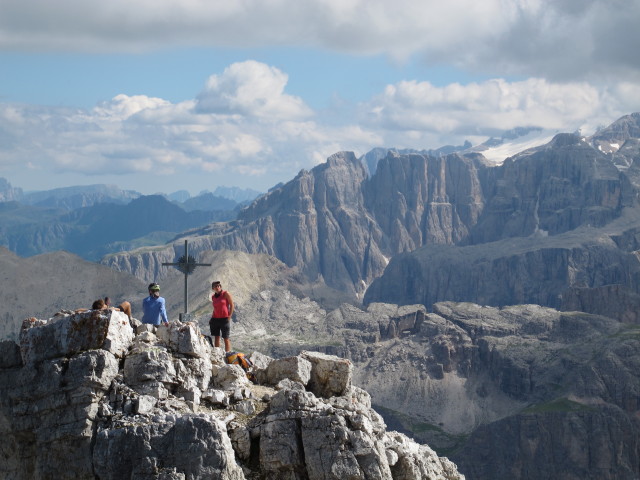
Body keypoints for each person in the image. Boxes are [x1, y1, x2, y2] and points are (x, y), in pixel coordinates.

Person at [209, 280, 234, 352]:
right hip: (215, 319)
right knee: (216, 337)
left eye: (219, 286)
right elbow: (215, 308)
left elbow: (232, 305)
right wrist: (212, 318)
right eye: (215, 286)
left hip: (224, 319)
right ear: (213, 288)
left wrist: (229, 316)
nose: (217, 287)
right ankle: (217, 353)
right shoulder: (213, 297)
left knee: (226, 337)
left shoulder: (225, 294)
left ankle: (227, 354)